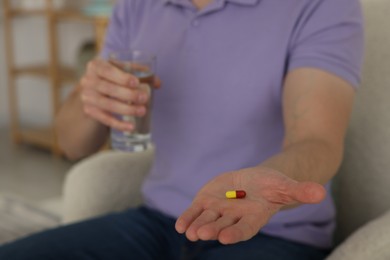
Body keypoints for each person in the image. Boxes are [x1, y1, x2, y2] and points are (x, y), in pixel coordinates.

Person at [0, 0, 364, 259]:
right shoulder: (137, 6)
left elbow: (316, 141)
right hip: (159, 221)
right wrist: (89, 98)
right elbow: (72, 145)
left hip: (270, 232)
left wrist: (263, 184)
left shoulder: (321, 4)